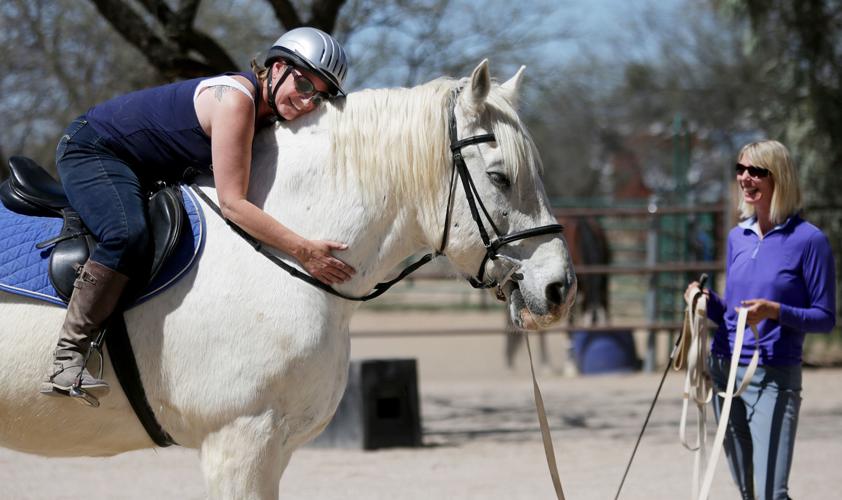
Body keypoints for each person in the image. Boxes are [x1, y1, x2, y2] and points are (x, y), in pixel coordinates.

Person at [41, 27, 356, 399]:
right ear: (277, 68)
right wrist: (303, 250)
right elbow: (234, 205)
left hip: (137, 164)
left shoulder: (266, 116)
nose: (307, 103)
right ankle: (67, 356)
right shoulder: (236, 101)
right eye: (304, 87)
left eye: (318, 98)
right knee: (127, 235)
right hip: (93, 149)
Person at [686, 140, 836, 500]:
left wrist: (776, 311)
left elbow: (825, 317)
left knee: (772, 492)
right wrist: (706, 303)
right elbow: (735, 314)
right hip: (724, 369)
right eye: (740, 169)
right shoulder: (738, 237)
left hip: (772, 377)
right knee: (748, 491)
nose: (745, 178)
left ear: (779, 177)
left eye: (756, 171)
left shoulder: (809, 241)